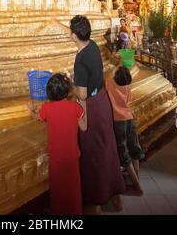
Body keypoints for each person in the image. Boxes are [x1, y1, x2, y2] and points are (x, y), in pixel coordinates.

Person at [53, 16, 125, 214]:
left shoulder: (80, 60)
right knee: (108, 149)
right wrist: (55, 22)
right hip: (102, 101)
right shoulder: (92, 44)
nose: (70, 34)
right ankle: (116, 197)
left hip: (91, 107)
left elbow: (82, 94)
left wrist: (69, 83)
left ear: (75, 35)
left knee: (94, 155)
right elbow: (72, 33)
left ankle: (96, 202)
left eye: (70, 32)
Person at [28, 73, 85, 215]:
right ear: (67, 91)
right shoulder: (75, 107)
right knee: (73, 187)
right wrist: (82, 104)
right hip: (72, 156)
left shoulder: (47, 108)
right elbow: (84, 127)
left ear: (49, 93)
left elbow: (38, 117)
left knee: (58, 188)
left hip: (56, 158)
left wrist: (30, 110)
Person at [105, 66, 145, 195]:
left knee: (124, 153)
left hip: (118, 122)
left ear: (115, 76)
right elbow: (129, 99)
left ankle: (137, 187)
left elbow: (108, 74)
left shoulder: (109, 83)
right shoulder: (127, 86)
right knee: (134, 148)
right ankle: (136, 178)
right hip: (129, 118)